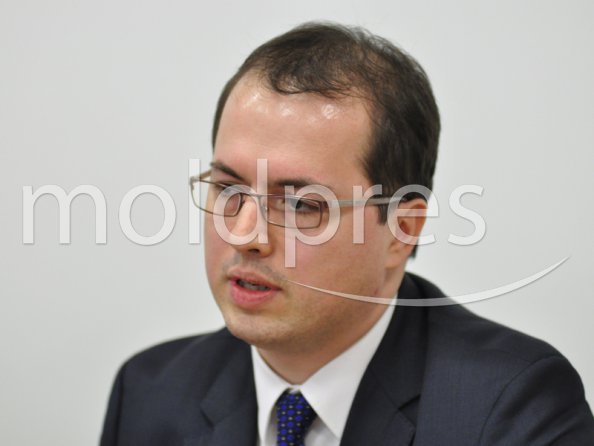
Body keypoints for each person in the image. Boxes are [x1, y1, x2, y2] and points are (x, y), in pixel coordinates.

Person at [100, 22, 594, 446]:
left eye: (301, 204)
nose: (246, 235)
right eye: (229, 189)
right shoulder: (149, 393)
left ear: (401, 231)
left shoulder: (512, 408)